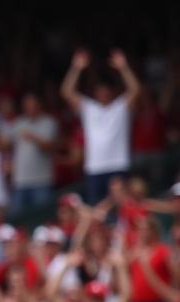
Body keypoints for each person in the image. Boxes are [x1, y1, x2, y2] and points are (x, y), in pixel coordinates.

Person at [60, 50, 141, 204]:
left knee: (122, 207)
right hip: (95, 167)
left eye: (106, 91)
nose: (103, 94)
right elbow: (66, 91)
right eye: (100, 91)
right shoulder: (88, 107)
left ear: (112, 92)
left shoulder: (121, 106)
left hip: (118, 164)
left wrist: (124, 67)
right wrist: (76, 68)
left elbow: (136, 90)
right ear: (95, 93)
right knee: (97, 210)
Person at [4, 93, 58, 216]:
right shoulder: (19, 123)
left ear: (39, 105)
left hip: (41, 180)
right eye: (27, 106)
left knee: (42, 216)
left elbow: (48, 145)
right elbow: (5, 143)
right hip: (20, 180)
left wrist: (33, 137)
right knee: (17, 216)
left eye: (33, 105)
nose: (30, 108)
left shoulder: (48, 122)